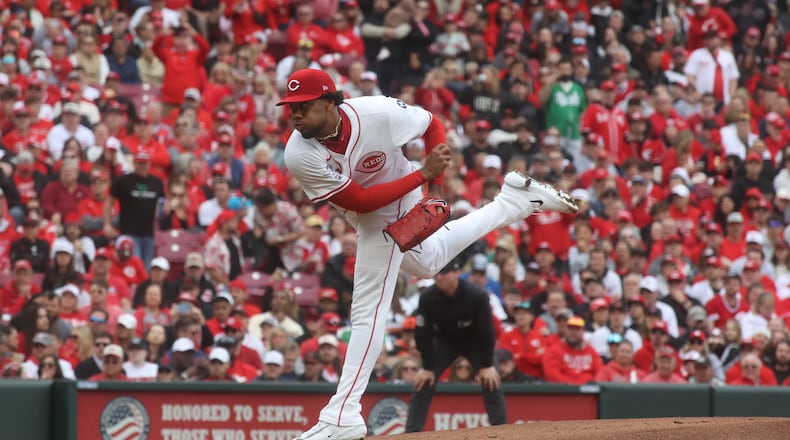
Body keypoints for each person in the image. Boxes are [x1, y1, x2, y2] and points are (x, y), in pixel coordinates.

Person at [282, 69, 577, 440]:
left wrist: (435, 188)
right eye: (290, 107)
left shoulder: (377, 112)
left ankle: (343, 413)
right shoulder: (298, 152)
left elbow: (432, 124)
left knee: (367, 309)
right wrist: (424, 177)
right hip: (373, 205)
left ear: (330, 102)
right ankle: (512, 202)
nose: (294, 115)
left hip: (394, 202)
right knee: (428, 263)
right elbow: (358, 200)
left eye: (303, 106)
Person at [404, 258, 506, 431]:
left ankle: (502, 431)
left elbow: (487, 333)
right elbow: (423, 334)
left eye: (445, 272)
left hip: (474, 341)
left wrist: (487, 365)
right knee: (423, 381)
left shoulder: (477, 296)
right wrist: (427, 366)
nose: (440, 277)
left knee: (491, 380)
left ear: (457, 273)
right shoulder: (428, 297)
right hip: (444, 340)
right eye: (437, 273)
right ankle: (411, 433)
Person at [104, 151, 165, 270]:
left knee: (146, 268)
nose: (142, 166)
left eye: (145, 163)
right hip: (129, 232)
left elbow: (162, 203)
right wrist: (107, 223)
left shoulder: (157, 182)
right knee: (133, 265)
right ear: (134, 163)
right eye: (140, 163)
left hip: (149, 233)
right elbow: (109, 202)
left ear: (149, 164)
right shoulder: (123, 181)